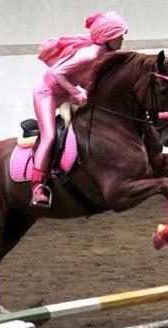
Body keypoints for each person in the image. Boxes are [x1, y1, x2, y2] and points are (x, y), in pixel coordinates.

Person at [31, 12, 128, 207]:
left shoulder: (103, 55)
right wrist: (76, 93)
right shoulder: (90, 54)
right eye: (119, 35)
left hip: (65, 91)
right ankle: (37, 187)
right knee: (49, 135)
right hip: (47, 92)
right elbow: (56, 73)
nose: (123, 39)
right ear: (108, 38)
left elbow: (83, 78)